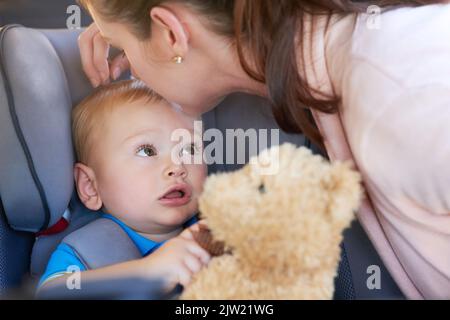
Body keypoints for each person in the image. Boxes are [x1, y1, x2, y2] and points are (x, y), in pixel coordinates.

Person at [77, 1, 450, 299]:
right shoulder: (350, 72)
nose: (125, 64)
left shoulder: (402, 98)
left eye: (122, 46)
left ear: (172, 35)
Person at [38, 80, 210, 294]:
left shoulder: (216, 229)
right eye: (147, 151)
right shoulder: (87, 251)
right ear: (90, 186)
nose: (177, 166)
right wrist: (144, 273)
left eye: (189, 149)